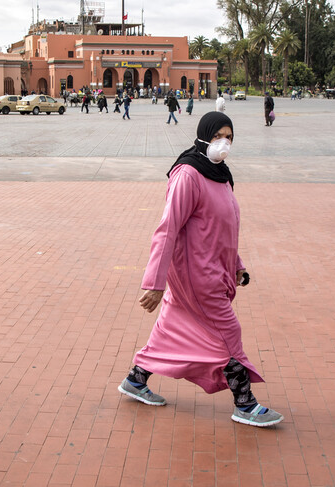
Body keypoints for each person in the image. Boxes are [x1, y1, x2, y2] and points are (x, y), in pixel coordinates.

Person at [118, 111, 283, 428]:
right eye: (219, 135)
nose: (225, 143)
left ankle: (136, 379)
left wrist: (237, 265)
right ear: (204, 135)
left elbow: (225, 228)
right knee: (227, 331)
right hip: (195, 275)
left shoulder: (221, 175)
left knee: (170, 327)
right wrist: (154, 283)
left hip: (212, 269)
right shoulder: (188, 175)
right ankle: (245, 402)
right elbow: (167, 230)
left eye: (230, 137)